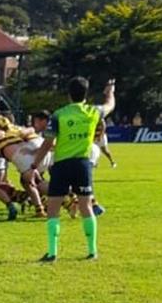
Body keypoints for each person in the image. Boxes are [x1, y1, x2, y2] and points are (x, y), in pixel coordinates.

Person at [31, 77, 114, 263]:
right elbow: (110, 105)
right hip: (82, 165)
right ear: (86, 93)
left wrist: (34, 164)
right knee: (86, 206)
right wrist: (110, 90)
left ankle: (52, 253)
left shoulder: (59, 115)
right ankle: (92, 251)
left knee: (53, 209)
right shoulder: (93, 111)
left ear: (68, 94)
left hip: (61, 165)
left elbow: (48, 143)